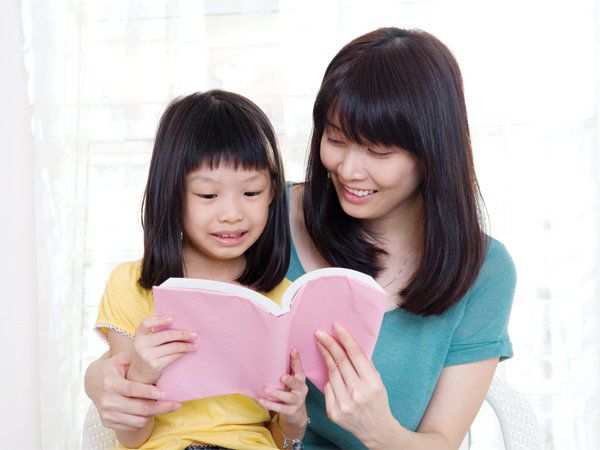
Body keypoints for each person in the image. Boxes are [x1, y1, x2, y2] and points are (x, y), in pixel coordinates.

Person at [86, 28, 516, 450]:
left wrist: (378, 429)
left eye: (379, 152)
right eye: (336, 139)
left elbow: (442, 441)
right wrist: (101, 379)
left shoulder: (484, 272)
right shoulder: (262, 214)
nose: (348, 170)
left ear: (433, 150)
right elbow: (161, 307)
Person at [93, 90, 309, 449]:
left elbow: (279, 440)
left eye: (252, 193)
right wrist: (142, 374)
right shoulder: (131, 285)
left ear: (273, 192)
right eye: (208, 195)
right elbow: (132, 438)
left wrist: (294, 418)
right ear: (172, 193)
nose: (232, 214)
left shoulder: (282, 300)